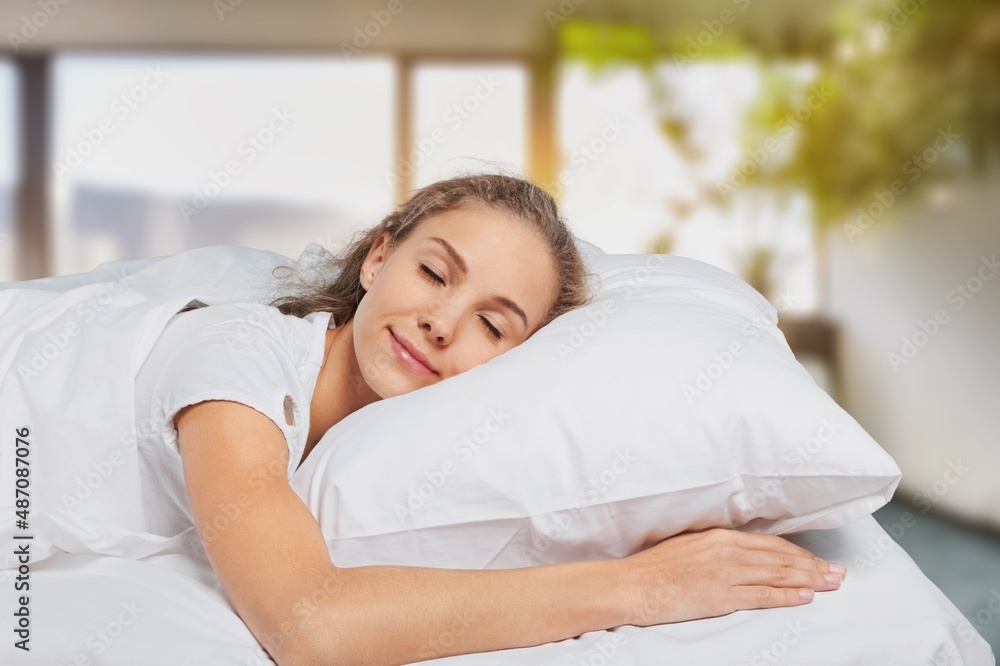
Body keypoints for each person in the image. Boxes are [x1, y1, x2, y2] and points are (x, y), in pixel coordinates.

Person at [134, 174, 846, 666]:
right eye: (434, 274)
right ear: (379, 256)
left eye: (493, 325)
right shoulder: (236, 354)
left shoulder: (402, 430)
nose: (441, 322)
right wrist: (641, 586)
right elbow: (306, 624)